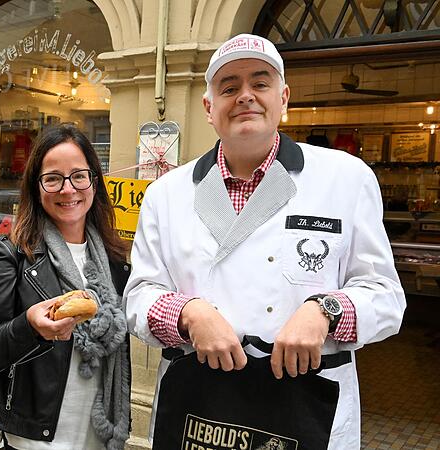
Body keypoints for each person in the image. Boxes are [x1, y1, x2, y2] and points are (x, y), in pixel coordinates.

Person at [124, 33, 406, 448]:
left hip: (302, 403)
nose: (245, 96)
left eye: (260, 83)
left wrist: (325, 310)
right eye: (229, 87)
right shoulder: (167, 193)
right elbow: (138, 296)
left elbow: (386, 296)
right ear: (209, 107)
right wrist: (189, 314)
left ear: (284, 98)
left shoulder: (346, 179)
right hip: (200, 406)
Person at [0, 124, 132, 450]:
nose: (68, 189)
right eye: (53, 178)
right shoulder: (10, 254)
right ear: (36, 187)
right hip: (34, 440)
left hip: (100, 435)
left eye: (79, 176)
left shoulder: (114, 260)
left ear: (94, 183)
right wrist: (28, 328)